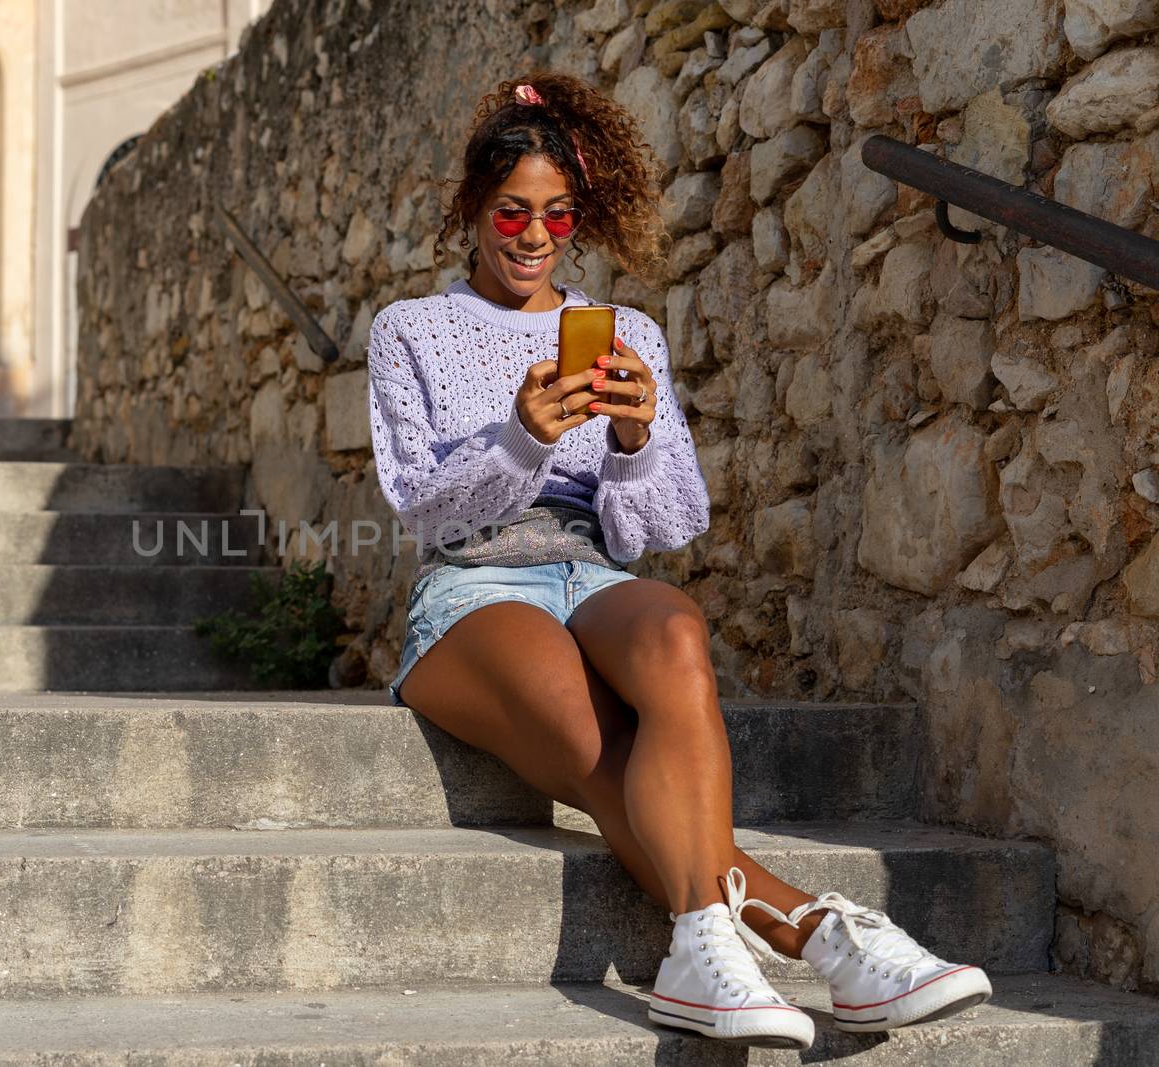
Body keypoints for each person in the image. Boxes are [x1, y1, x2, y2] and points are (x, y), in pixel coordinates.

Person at [364, 70, 992, 1050]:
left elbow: (665, 521)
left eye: (558, 218)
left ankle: (702, 950)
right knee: (607, 747)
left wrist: (634, 438)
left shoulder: (630, 335)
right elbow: (421, 508)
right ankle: (819, 932)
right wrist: (521, 438)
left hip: (593, 574)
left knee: (674, 629)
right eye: (511, 213)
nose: (533, 237)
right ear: (471, 210)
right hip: (472, 588)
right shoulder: (409, 331)